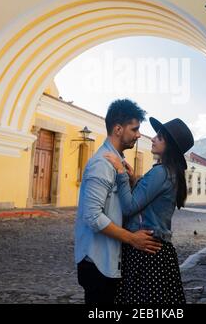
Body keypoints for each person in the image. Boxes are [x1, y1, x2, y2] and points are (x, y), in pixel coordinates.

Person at [75, 99, 162, 306]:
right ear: (117, 129)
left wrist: (131, 182)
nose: (139, 135)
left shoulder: (118, 162)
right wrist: (132, 239)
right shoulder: (102, 164)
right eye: (135, 129)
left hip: (109, 259)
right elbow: (92, 216)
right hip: (97, 262)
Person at [104, 116, 194, 305]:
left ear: (169, 146)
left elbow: (129, 208)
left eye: (159, 137)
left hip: (146, 253)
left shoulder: (160, 172)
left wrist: (120, 173)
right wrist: (135, 180)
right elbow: (151, 201)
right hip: (159, 253)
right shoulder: (171, 172)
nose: (153, 139)